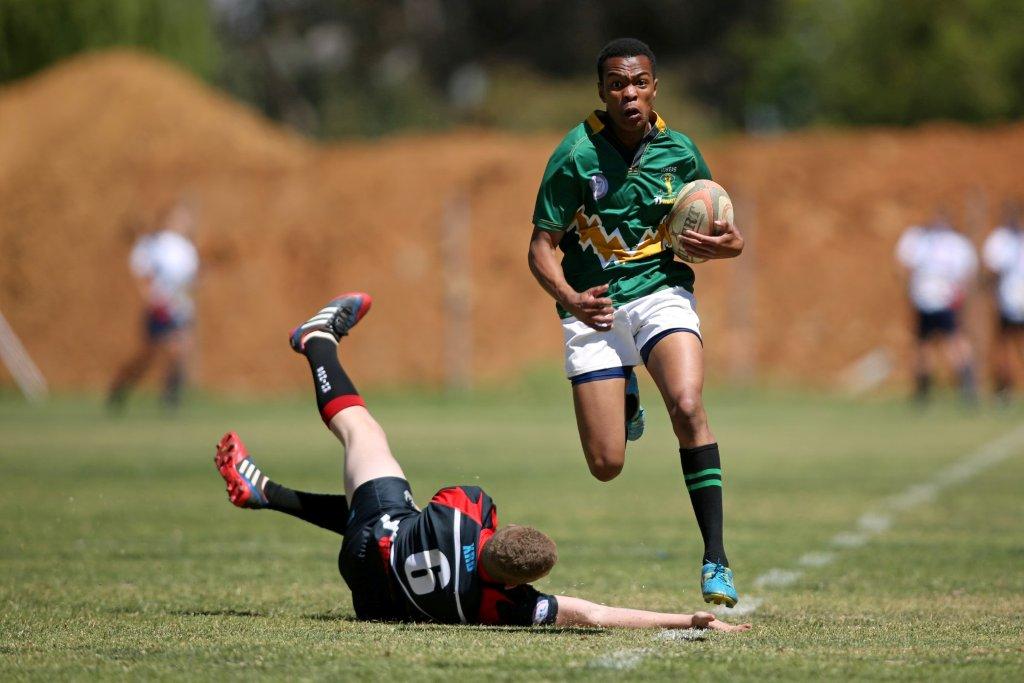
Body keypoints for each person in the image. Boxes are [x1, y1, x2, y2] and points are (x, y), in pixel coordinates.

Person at [214, 292, 750, 632]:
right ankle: (267, 492)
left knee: (363, 433)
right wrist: (686, 620)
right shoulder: (502, 609)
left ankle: (316, 340)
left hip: (381, 535)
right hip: (372, 596)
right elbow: (593, 613)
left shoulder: (465, 510)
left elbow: (440, 511)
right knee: (378, 514)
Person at [526, 38, 744, 607]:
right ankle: (625, 388)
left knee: (688, 406)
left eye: (639, 83)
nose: (630, 94)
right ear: (602, 91)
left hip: (660, 292)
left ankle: (716, 558)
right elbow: (540, 247)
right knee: (606, 464)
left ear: (654, 87)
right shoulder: (575, 155)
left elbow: (724, 230)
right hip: (594, 305)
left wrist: (728, 245)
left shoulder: (680, 150)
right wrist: (570, 298)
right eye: (618, 84)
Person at [108, 200, 199, 411]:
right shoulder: (153, 245)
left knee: (179, 350)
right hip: (160, 309)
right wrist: (153, 298)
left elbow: (190, 281)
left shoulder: (187, 249)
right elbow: (143, 274)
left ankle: (170, 398)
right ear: (167, 219)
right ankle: (120, 386)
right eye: (179, 217)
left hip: (180, 309)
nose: (184, 222)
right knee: (147, 357)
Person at [895, 209, 978, 403]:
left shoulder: (936, 242)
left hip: (940, 301)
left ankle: (962, 385)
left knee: (945, 343)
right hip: (930, 301)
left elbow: (904, 267)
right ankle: (927, 390)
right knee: (927, 345)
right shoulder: (934, 241)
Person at [982, 201, 1024, 402]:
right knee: (1004, 346)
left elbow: (992, 272)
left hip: (1011, 300)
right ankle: (1004, 387)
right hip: (1007, 301)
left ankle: (1004, 390)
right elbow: (993, 271)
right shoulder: (1000, 240)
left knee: (1006, 345)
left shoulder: (1002, 241)